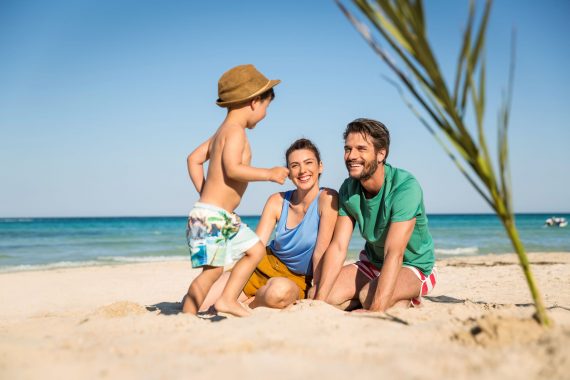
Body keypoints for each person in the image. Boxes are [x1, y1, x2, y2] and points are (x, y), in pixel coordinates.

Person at [181, 64, 289, 317]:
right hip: (212, 217)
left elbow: (193, 159)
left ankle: (227, 299)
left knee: (255, 249)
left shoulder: (221, 133)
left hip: (219, 215)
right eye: (266, 107)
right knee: (212, 273)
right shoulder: (235, 132)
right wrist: (269, 174)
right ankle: (184, 318)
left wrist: (205, 195)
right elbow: (232, 169)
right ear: (254, 102)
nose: (265, 114)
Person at [312, 118, 437, 312]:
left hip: (414, 266)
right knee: (317, 294)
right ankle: (375, 299)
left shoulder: (405, 187)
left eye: (361, 149)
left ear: (381, 154)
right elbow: (338, 246)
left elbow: (394, 253)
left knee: (368, 298)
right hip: (372, 263)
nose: (351, 156)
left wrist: (374, 312)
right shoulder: (348, 188)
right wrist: (317, 305)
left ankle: (405, 298)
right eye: (348, 149)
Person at [200, 138, 338, 311]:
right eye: (294, 165)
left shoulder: (327, 199)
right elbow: (256, 245)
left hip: (295, 278)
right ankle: (239, 300)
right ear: (289, 172)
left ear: (320, 166)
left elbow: (321, 253)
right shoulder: (277, 201)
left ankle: (248, 304)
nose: (302, 170)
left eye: (308, 163)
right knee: (199, 303)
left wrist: (318, 293)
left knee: (278, 294)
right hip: (261, 267)